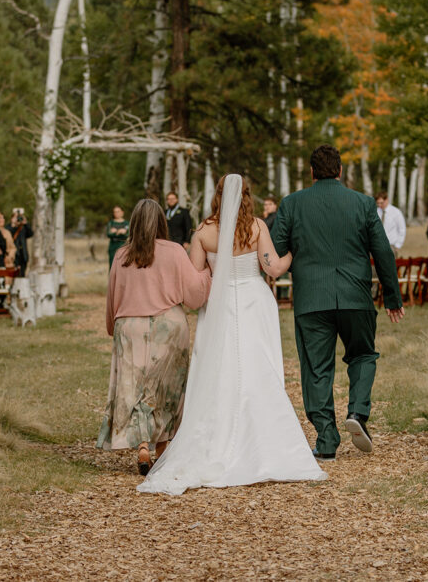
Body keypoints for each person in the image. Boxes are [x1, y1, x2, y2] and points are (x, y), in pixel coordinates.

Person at [138, 175, 328, 495]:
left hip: (219, 307)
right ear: (247, 197)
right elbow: (274, 269)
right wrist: (293, 251)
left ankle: (216, 438)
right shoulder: (256, 227)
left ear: (218, 196)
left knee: (220, 370)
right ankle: (263, 442)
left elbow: (194, 281)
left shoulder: (203, 232)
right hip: (255, 302)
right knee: (257, 367)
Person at [271, 145, 404, 461]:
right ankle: (357, 412)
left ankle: (327, 440)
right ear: (340, 171)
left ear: (311, 172)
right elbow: (383, 252)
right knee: (363, 354)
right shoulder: (363, 203)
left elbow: (275, 250)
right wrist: (392, 297)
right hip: (355, 295)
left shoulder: (291, 204)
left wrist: (298, 254)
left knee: (317, 368)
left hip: (311, 299)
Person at [101, 199, 212, 475]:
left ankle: (141, 445)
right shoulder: (174, 251)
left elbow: (112, 299)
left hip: (129, 327)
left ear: (133, 223)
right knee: (168, 387)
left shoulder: (121, 254)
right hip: (168, 325)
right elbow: (194, 295)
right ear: (162, 221)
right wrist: (209, 272)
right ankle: (163, 446)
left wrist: (112, 327)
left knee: (134, 386)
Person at [9, 209, 34, 277]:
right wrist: (13, 225)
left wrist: (26, 223)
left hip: (23, 255)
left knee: (22, 274)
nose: (18, 219)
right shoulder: (9, 227)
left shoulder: (23, 228)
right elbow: (8, 234)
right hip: (14, 255)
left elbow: (31, 234)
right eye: (16, 217)